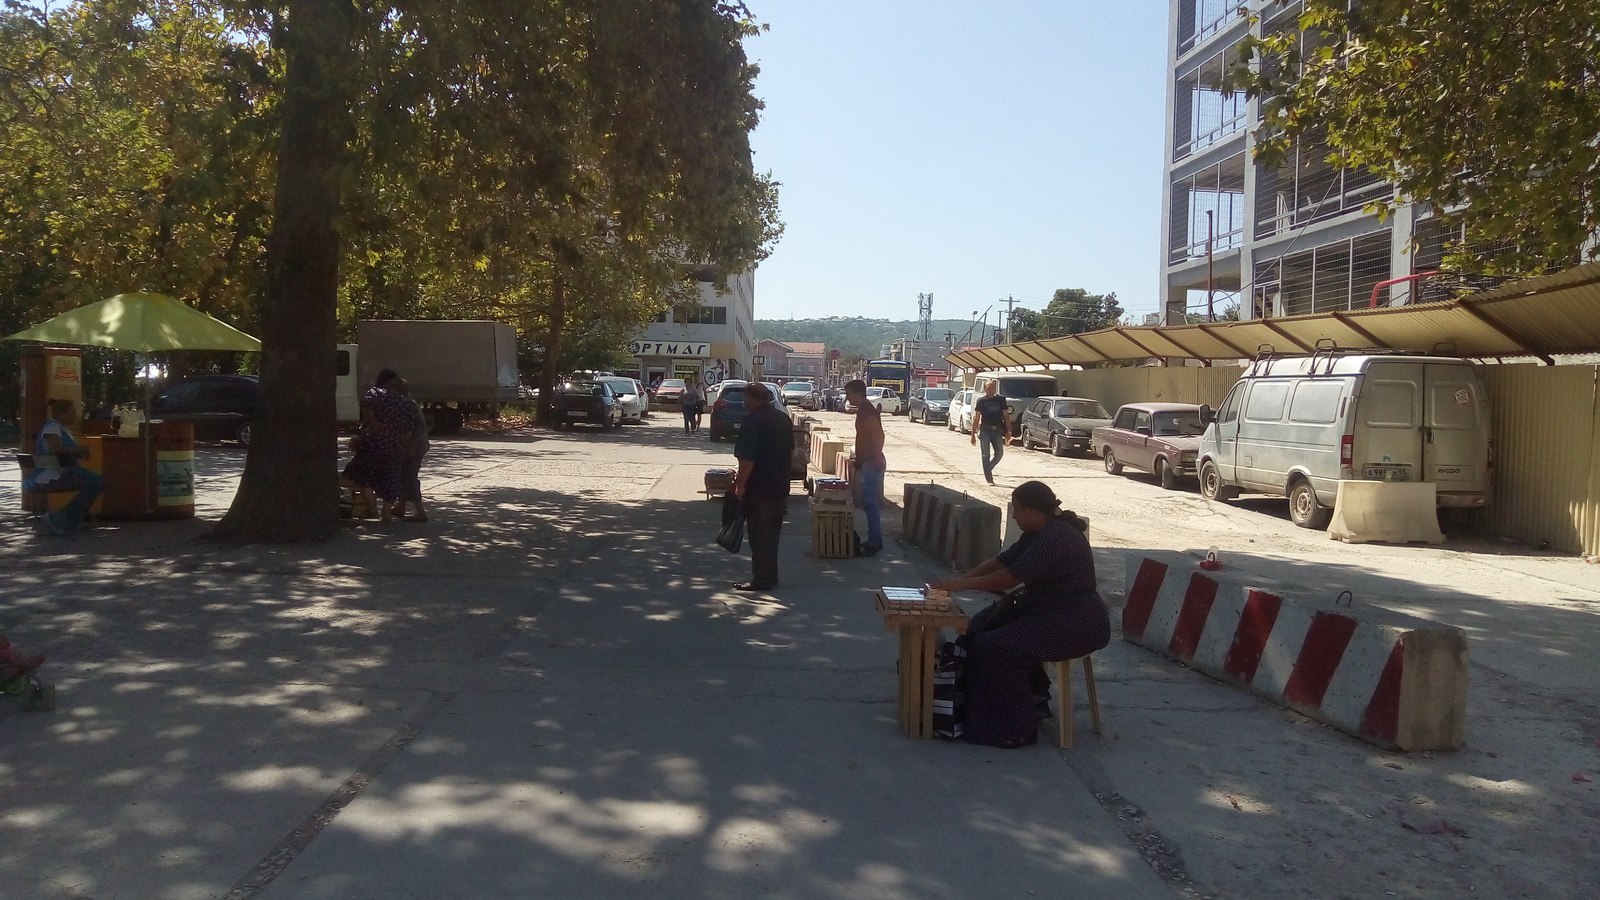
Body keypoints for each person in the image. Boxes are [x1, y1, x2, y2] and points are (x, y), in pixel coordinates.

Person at [929, 480, 1110, 748]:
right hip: (1048, 611)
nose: (1014, 516)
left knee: (996, 647)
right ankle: (1027, 701)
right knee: (979, 626)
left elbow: (1009, 577)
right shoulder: (1037, 532)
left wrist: (961, 585)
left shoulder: (1056, 537)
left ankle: (1016, 728)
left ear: (1034, 511)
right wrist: (958, 581)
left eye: (1017, 510)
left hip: (1074, 622)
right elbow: (1002, 561)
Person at [731, 382, 792, 592]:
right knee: (773, 534)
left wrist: (740, 485)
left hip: (760, 487)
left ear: (751, 398)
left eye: (745, 398)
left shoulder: (752, 421)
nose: (744, 402)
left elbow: (747, 459)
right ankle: (771, 575)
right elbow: (790, 452)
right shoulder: (783, 419)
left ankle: (762, 579)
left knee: (759, 535)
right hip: (780, 486)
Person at [342, 369, 415, 522]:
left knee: (362, 473)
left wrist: (373, 422)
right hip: (395, 445)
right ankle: (386, 512)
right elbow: (409, 428)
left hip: (374, 443)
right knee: (391, 477)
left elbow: (366, 403)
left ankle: (372, 509)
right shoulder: (404, 402)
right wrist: (405, 445)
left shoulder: (375, 392)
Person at [25, 398, 104, 536]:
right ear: (61, 414)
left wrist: (79, 453)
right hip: (50, 475)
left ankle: (65, 519)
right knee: (94, 482)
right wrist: (77, 450)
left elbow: (65, 452)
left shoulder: (63, 429)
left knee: (98, 481)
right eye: (72, 413)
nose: (75, 416)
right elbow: (55, 448)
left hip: (63, 472)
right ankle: (61, 518)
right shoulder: (52, 427)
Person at [843, 379, 885, 555]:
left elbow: (878, 434)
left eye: (849, 394)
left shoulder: (867, 411)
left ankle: (875, 541)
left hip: (871, 462)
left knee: (870, 502)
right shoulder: (863, 409)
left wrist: (876, 456)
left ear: (858, 393)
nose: (847, 397)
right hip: (866, 461)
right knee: (868, 503)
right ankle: (874, 539)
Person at [387, 378, 430, 523]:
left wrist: (411, 446)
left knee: (409, 477)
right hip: (416, 444)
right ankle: (401, 507)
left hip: (415, 445)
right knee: (404, 474)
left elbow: (419, 427)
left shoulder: (408, 404)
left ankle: (421, 512)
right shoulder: (408, 402)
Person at [971, 381, 1011, 484]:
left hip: (997, 430)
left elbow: (1006, 415)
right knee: (986, 455)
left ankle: (987, 469)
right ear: (985, 389)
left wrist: (1009, 430)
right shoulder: (981, 401)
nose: (990, 390)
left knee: (999, 453)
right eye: (988, 388)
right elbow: (976, 418)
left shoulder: (1001, 400)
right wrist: (973, 434)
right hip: (985, 430)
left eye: (992, 387)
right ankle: (989, 479)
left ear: (995, 388)